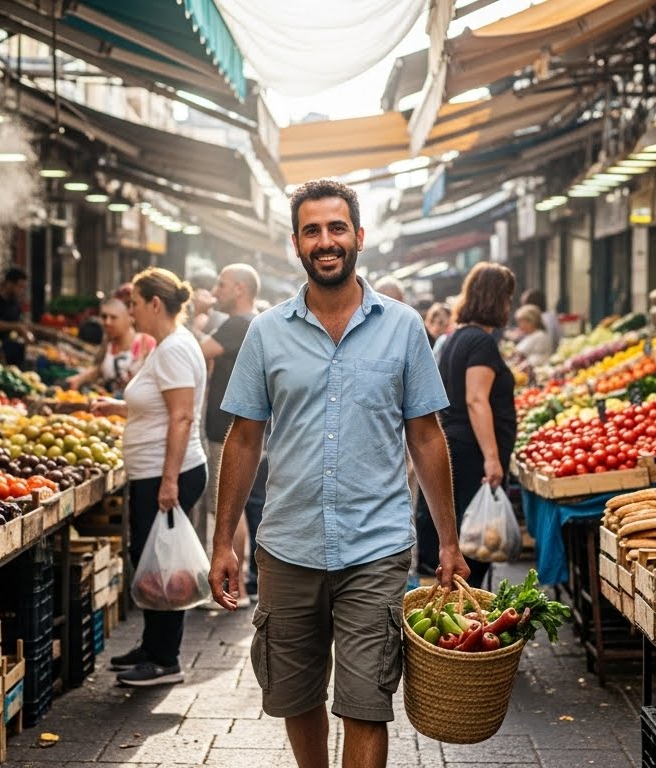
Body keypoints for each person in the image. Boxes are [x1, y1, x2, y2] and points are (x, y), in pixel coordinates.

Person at [208, 179, 469, 768]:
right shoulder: (266, 332)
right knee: (294, 696)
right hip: (287, 545)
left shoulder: (403, 327)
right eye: (312, 230)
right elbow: (244, 437)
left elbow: (426, 436)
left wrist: (447, 542)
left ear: (357, 236)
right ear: (296, 243)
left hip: (375, 548)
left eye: (336, 228)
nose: (326, 242)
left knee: (366, 702)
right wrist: (224, 540)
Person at [94, 267, 208, 686]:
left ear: (155, 304)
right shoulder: (169, 345)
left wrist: (169, 481)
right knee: (151, 560)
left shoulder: (175, 348)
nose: (132, 312)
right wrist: (118, 406)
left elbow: (181, 416)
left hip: (166, 473)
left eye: (136, 304)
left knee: (163, 567)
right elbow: (160, 407)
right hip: (155, 471)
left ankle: (165, 660)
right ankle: (152, 645)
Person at [416, 263, 518, 589]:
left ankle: (459, 615)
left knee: (464, 537)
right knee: (474, 544)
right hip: (472, 453)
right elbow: (476, 400)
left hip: (457, 446)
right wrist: (492, 457)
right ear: (495, 299)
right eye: (507, 297)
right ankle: (467, 617)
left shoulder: (456, 338)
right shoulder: (481, 343)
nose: (510, 306)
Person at [197, 263, 267, 598]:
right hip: (235, 428)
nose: (216, 292)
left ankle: (232, 588)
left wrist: (196, 313)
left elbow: (197, 353)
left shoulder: (240, 324)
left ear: (240, 288)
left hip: (228, 431)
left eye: (222, 285)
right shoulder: (251, 324)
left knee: (229, 507)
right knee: (241, 505)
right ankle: (240, 583)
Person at [64, 297, 155, 393]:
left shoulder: (146, 343)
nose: (107, 322)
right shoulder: (108, 343)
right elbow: (101, 369)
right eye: (104, 317)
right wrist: (79, 379)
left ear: (130, 318)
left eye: (113, 317)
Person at [513, 304, 554, 368]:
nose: (519, 325)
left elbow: (539, 359)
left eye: (521, 321)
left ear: (531, 321)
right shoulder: (529, 336)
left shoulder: (541, 336)